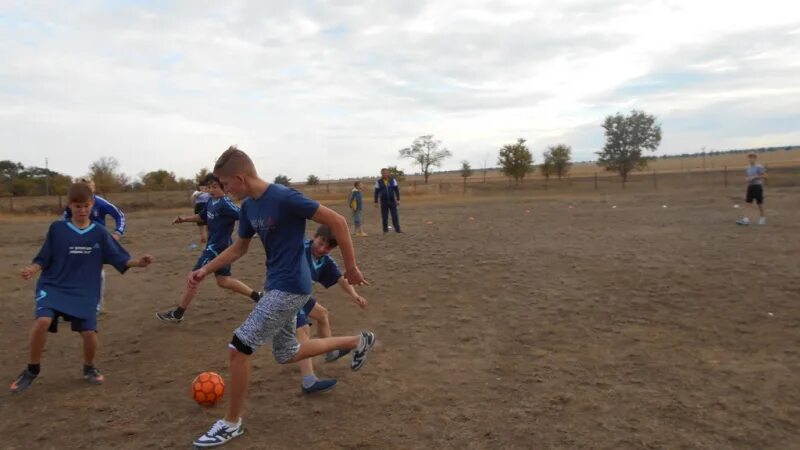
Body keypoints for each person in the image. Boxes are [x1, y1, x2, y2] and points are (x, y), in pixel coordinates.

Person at [190, 146, 375, 448]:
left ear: (239, 178)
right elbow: (239, 248)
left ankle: (231, 423)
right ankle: (358, 340)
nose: (223, 190)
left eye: (224, 185)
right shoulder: (249, 208)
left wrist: (352, 267)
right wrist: (205, 269)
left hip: (291, 286)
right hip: (276, 284)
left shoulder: (284, 197)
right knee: (287, 352)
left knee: (238, 348)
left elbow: (339, 222)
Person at [11, 182, 154, 393]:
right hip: (54, 284)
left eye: (86, 205)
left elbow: (118, 258)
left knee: (89, 332)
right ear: (69, 205)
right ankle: (31, 370)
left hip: (84, 289)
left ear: (92, 204)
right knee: (42, 320)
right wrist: (33, 269)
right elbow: (43, 257)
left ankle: (89, 368)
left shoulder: (99, 232)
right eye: (77, 206)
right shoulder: (57, 229)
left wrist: (139, 262)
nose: (82, 210)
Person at [156, 174, 262, 323]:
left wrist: (257, 229)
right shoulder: (211, 201)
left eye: (215, 187)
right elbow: (202, 217)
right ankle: (258, 297)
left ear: (224, 188)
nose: (211, 190)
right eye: (209, 187)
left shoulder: (225, 204)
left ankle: (178, 314)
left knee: (194, 277)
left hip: (217, 249)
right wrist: (184, 219)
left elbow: (243, 216)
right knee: (223, 281)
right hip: (215, 246)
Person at [294, 225, 368, 394]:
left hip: (301, 298)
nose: (322, 249)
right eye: (320, 243)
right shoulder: (300, 250)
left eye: (327, 247)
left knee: (321, 314)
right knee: (303, 331)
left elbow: (341, 279)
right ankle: (308, 381)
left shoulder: (325, 261)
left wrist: (354, 295)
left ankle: (331, 352)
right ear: (315, 236)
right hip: (285, 296)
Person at [64, 178, 126, 311]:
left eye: (89, 191)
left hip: (97, 242)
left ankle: (96, 304)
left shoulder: (101, 203)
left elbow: (119, 215)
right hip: (78, 241)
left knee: (97, 272)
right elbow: (65, 221)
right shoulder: (72, 205)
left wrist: (118, 232)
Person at [737, 153, 767, 226]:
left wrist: (754, 177)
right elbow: (747, 177)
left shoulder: (759, 167)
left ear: (755, 158)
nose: (751, 159)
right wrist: (747, 179)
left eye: (753, 157)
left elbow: (765, 176)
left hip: (757, 186)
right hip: (750, 187)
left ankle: (762, 218)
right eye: (750, 157)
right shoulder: (747, 168)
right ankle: (746, 219)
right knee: (748, 203)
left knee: (759, 203)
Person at [374, 168, 401, 233]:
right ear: (381, 174)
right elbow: (376, 192)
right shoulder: (378, 182)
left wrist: (398, 199)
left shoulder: (393, 180)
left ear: (388, 173)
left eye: (386, 173)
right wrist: (376, 202)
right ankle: (385, 230)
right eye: (383, 173)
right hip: (383, 201)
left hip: (392, 201)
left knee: (395, 215)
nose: (385, 174)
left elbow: (396, 190)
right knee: (384, 216)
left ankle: (398, 229)